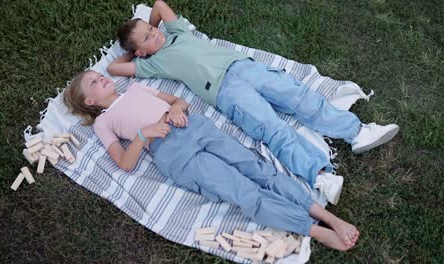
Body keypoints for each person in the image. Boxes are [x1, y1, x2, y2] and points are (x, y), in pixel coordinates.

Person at [106, 0, 400, 197]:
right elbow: (113, 67)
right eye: (146, 38)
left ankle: (358, 132)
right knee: (270, 127)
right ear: (141, 52)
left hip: (244, 67)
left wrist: (152, 28)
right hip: (224, 91)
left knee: (297, 95)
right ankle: (320, 175)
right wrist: (136, 52)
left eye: (150, 29)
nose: (153, 34)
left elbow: (158, 4)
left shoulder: (177, 32)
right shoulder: (152, 63)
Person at [62, 70, 360, 251]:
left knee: (260, 170)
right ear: (90, 101)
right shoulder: (103, 123)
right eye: (94, 82)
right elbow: (125, 163)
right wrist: (143, 134)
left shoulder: (137, 88)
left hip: (194, 127)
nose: (101, 77)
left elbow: (178, 101)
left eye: (98, 75)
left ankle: (329, 217)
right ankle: (315, 231)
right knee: (243, 192)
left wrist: (178, 108)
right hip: (174, 154)